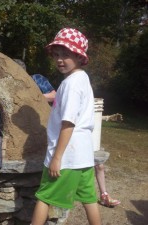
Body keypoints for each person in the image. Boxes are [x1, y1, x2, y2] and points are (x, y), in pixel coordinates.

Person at [31, 28, 101, 225]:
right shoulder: (83, 78)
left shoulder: (70, 84)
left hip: (67, 156)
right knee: (89, 199)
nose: (60, 60)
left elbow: (68, 122)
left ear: (79, 57)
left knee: (45, 197)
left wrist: (57, 158)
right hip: (83, 156)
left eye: (66, 55)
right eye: (57, 55)